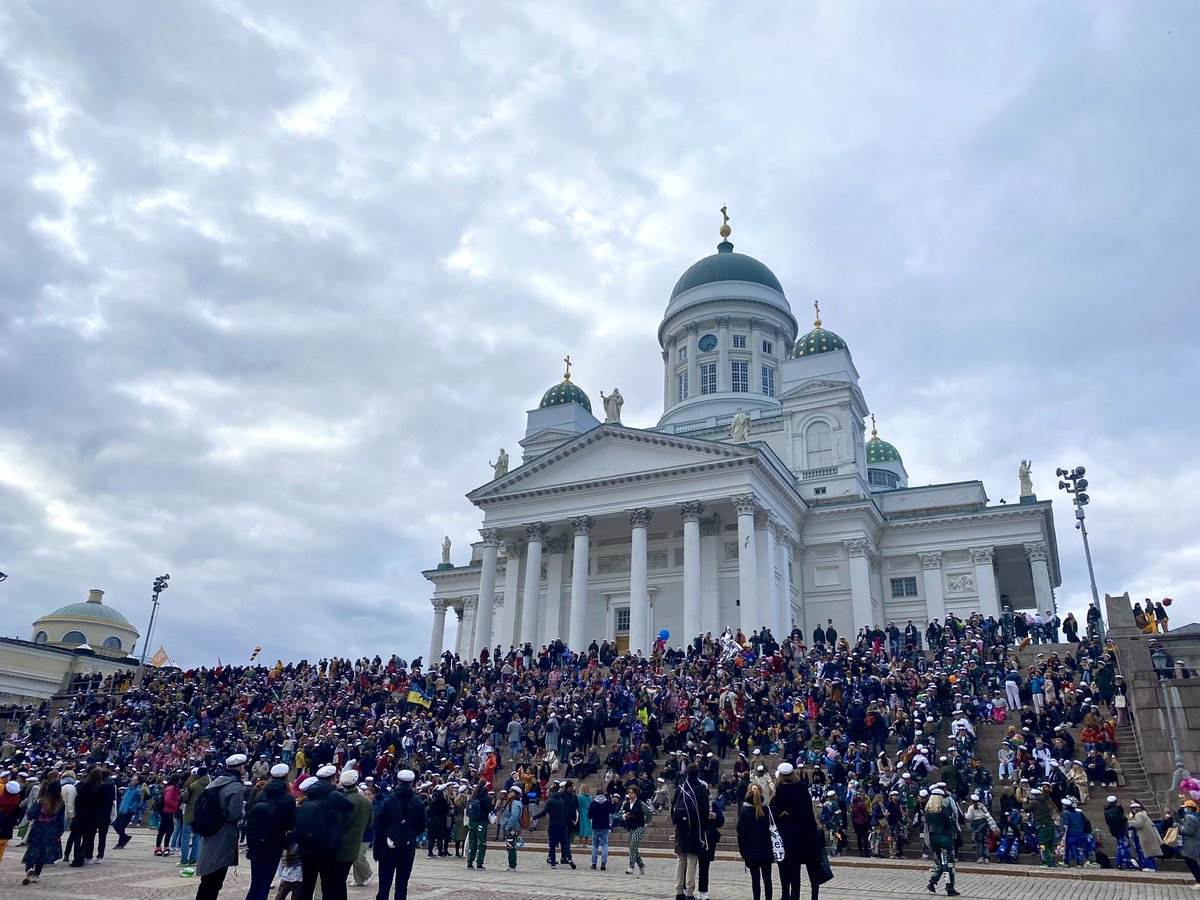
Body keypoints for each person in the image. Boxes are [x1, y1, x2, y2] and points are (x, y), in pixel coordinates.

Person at [296, 764, 354, 900]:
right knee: (328, 886)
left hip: (307, 848)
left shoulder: (309, 794)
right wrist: (340, 791)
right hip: (327, 848)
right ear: (333, 778)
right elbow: (349, 807)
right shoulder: (333, 795)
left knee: (307, 885)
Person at [195, 753, 248, 900]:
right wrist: (244, 811)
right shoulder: (235, 786)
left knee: (206, 880)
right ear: (240, 767)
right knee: (215, 882)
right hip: (223, 835)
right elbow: (234, 815)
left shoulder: (215, 782)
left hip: (209, 832)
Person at [244, 763, 296, 900]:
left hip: (256, 842)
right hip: (274, 843)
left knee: (255, 883)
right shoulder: (288, 798)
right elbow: (290, 824)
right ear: (285, 777)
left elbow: (250, 814)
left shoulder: (260, 793)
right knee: (265, 883)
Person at [771, 763, 823, 900]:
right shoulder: (802, 787)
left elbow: (776, 813)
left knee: (794, 869)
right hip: (808, 834)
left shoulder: (781, 790)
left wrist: (785, 815)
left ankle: (795, 896)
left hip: (791, 836)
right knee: (812, 870)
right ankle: (814, 896)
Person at [373, 769, 426, 900]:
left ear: (398, 782)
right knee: (402, 886)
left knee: (384, 886)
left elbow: (379, 825)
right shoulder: (417, 802)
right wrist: (411, 834)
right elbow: (422, 825)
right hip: (408, 847)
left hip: (388, 846)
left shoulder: (388, 801)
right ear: (412, 783)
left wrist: (378, 846)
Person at [672, 763, 710, 900]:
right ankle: (689, 892)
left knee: (680, 861)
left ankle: (678, 891)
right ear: (698, 774)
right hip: (695, 830)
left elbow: (673, 808)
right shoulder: (700, 790)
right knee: (692, 861)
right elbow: (705, 812)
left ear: (686, 773)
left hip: (681, 830)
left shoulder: (680, 788)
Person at [21, 777, 64, 885]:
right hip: (51, 830)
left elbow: (30, 815)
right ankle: (36, 875)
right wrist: (59, 832)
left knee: (32, 850)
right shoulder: (60, 803)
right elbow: (60, 820)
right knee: (43, 853)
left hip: (38, 828)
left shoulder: (41, 801)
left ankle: (29, 869)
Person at [738, 783, 774, 900]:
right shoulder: (767, 809)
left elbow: (741, 833)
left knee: (755, 879)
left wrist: (743, 851)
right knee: (767, 879)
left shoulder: (745, 811)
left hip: (752, 850)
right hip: (766, 850)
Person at [925, 788, 960, 896]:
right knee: (948, 864)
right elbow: (949, 824)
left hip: (934, 838)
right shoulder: (943, 809)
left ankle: (933, 880)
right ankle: (950, 887)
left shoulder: (928, 810)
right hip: (944, 838)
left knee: (941, 862)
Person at [532, 782, 575, 868]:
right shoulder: (562, 801)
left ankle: (553, 863)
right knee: (565, 843)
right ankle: (569, 858)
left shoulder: (550, 801)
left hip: (553, 825)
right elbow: (566, 813)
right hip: (563, 825)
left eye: (548, 792)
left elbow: (544, 812)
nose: (547, 794)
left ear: (551, 793)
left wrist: (534, 817)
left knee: (552, 844)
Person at [619, 784, 648, 876]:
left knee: (633, 844)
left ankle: (631, 866)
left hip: (639, 827)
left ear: (636, 794)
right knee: (633, 848)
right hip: (630, 827)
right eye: (629, 792)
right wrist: (624, 816)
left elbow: (649, 813)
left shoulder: (641, 804)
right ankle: (641, 864)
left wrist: (646, 822)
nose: (630, 794)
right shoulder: (625, 803)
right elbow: (619, 814)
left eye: (632, 793)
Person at [465, 778, 492, 870]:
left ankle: (469, 862)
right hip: (481, 821)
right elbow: (489, 808)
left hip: (472, 821)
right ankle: (479, 863)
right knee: (481, 842)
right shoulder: (485, 796)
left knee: (472, 842)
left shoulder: (473, 795)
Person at [1129, 800, 1163, 871]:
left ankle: (1149, 867)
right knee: (1149, 853)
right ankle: (1153, 867)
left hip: (1144, 836)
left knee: (1144, 852)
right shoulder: (1143, 814)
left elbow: (1139, 824)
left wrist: (1130, 821)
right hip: (1148, 835)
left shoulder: (1139, 814)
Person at [155, 774, 182, 856]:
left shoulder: (169, 787)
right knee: (169, 830)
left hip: (165, 811)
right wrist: (176, 806)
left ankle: (158, 847)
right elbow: (167, 800)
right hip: (168, 811)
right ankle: (166, 847)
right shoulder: (172, 788)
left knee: (162, 830)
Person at [499, 786, 523, 872]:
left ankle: (512, 865)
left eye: (512, 792)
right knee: (510, 846)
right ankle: (511, 864)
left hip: (513, 827)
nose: (509, 793)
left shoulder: (515, 803)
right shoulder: (511, 802)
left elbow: (514, 816)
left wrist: (508, 827)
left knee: (511, 846)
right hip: (510, 826)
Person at [587, 791, 612, 870]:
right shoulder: (607, 803)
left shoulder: (593, 803)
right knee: (604, 844)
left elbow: (589, 816)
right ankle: (603, 862)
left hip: (595, 826)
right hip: (605, 826)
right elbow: (612, 811)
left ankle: (594, 863)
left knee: (595, 845)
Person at [1179, 799, 1200, 888]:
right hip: (1195, 842)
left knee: (1190, 861)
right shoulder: (1196, 816)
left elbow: (1189, 831)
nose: (1184, 809)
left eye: (1185, 807)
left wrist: (1179, 828)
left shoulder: (1190, 817)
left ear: (1190, 808)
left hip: (1192, 843)